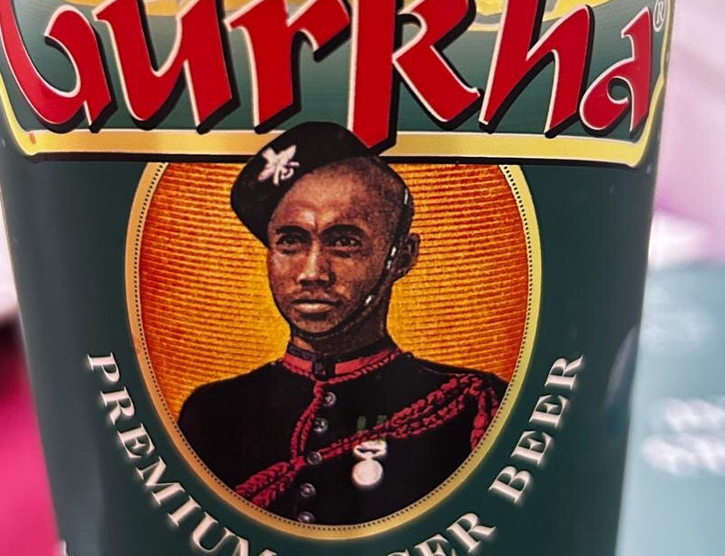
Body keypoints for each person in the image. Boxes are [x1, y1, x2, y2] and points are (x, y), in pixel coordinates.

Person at [178, 122, 507, 526]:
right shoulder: (211, 412)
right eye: (291, 241)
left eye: (344, 242)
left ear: (403, 256)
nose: (312, 273)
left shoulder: (471, 406)